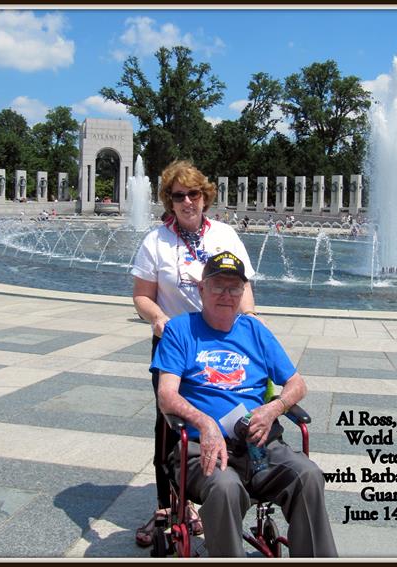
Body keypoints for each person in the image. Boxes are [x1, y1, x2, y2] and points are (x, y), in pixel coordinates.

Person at [154, 252, 338, 557]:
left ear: (243, 292)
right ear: (201, 289)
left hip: (260, 446)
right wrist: (205, 423)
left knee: (308, 475)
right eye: (218, 286)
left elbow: (297, 384)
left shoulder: (256, 332)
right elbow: (167, 395)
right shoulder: (180, 330)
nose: (226, 295)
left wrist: (272, 409)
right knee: (225, 487)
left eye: (234, 288)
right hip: (203, 448)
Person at [131, 160, 258, 547]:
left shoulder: (225, 235)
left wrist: (251, 323)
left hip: (221, 342)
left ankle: (216, 491)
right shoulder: (156, 240)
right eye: (178, 195)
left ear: (205, 196)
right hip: (176, 341)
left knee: (225, 412)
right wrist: (159, 318)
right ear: (168, 201)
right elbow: (141, 295)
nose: (187, 201)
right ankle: (166, 507)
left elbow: (244, 289)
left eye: (193, 194)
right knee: (169, 425)